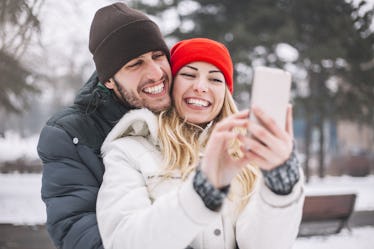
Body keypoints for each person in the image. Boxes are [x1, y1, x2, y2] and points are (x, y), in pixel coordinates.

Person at [97, 38, 304, 249]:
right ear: (170, 84)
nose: (201, 87)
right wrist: (200, 192)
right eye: (188, 75)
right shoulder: (128, 151)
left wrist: (280, 188)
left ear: (225, 93)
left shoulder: (247, 153)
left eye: (215, 79)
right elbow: (123, 242)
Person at [37, 3, 172, 249]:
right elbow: (75, 227)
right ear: (108, 79)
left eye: (158, 56)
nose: (156, 73)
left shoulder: (187, 111)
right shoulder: (69, 134)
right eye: (135, 64)